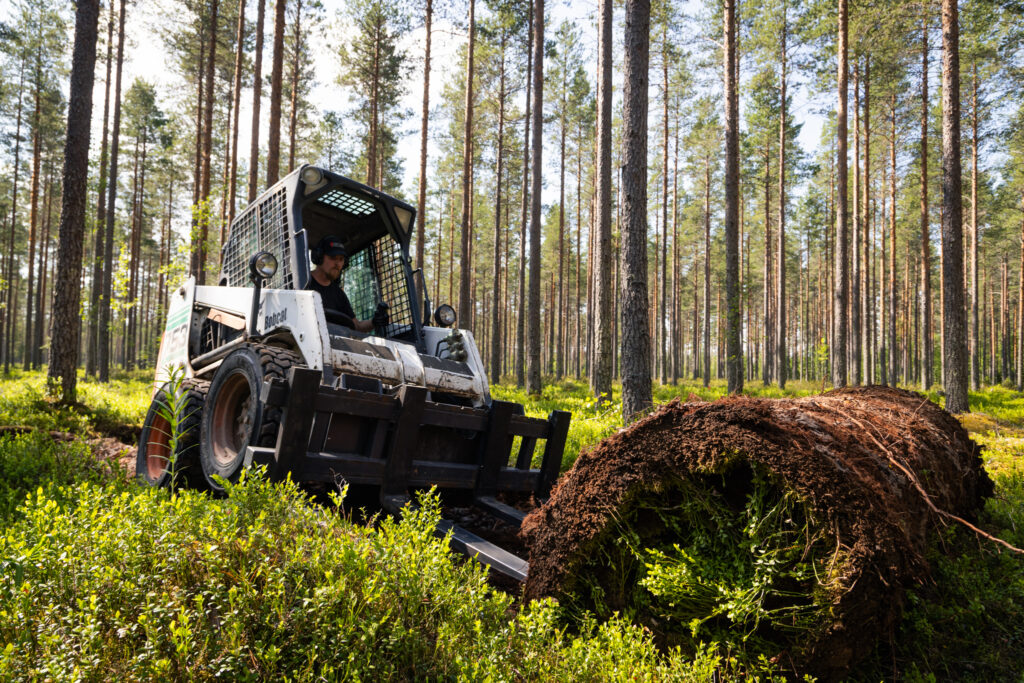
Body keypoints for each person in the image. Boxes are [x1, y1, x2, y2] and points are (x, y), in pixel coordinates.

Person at [306, 235, 388, 333]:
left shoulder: (338, 294)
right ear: (318, 257)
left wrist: (374, 322)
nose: (338, 264)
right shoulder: (302, 283)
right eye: (333, 257)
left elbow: (356, 326)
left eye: (341, 259)